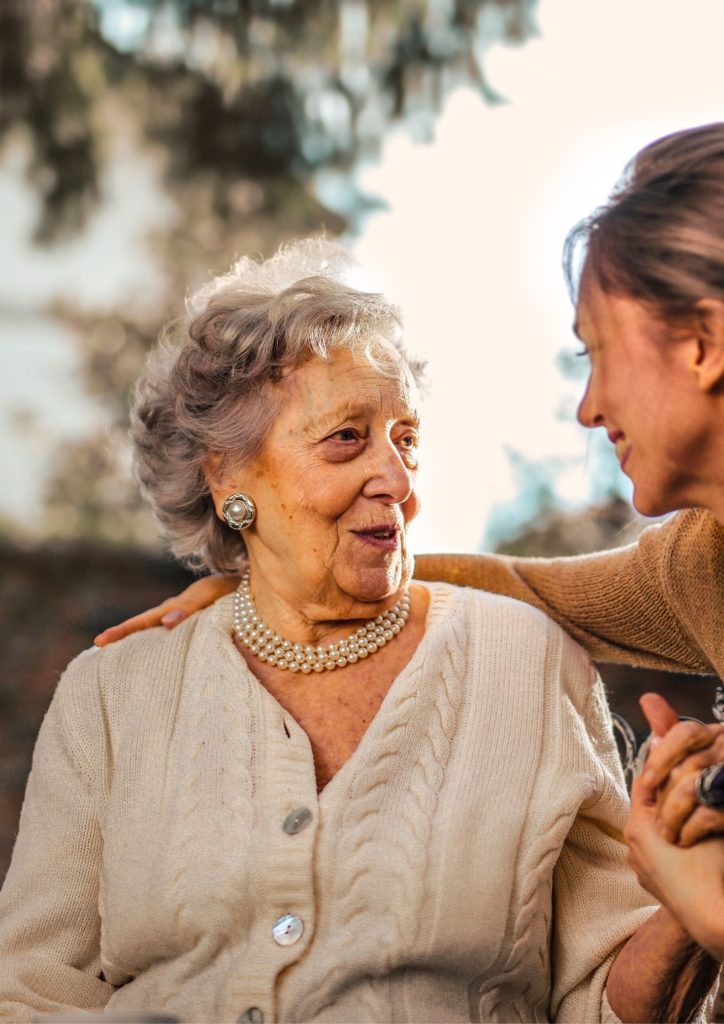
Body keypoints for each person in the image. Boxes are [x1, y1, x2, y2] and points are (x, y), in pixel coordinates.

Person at [0, 239, 716, 1023]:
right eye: (348, 437)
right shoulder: (111, 693)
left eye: (406, 439)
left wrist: (691, 905)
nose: (400, 480)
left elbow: (603, 1002)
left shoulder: (529, 661)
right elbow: (30, 994)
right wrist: (267, 575)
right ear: (227, 474)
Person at [101, 125, 724, 957]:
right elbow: (523, 586)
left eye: (597, 352)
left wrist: (706, 911)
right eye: (344, 441)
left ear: (703, 344)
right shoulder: (699, 566)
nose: (588, 406)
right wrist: (282, 578)